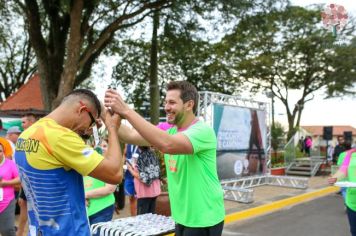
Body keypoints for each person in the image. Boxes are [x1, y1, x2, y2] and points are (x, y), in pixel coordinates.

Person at [105, 81, 225, 236]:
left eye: (172, 102)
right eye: (166, 102)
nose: (166, 107)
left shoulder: (202, 131)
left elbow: (168, 145)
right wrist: (100, 109)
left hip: (204, 218)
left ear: (189, 105)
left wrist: (127, 111)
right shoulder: (170, 131)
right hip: (182, 217)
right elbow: (129, 135)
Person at [14, 89, 123, 235]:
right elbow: (115, 174)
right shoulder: (59, 137)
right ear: (82, 109)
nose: (88, 129)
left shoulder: (27, 134)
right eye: (91, 122)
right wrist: (112, 128)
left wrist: (83, 135)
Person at [17, 114, 39, 236]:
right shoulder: (23, 138)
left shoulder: (37, 136)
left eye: (24, 122)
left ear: (31, 122)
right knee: (23, 203)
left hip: (35, 178)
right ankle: (21, 232)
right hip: (25, 178)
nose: (21, 125)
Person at [84, 143, 116, 225]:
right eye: (99, 146)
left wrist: (85, 195)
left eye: (105, 146)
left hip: (102, 210)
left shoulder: (110, 165)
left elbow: (110, 188)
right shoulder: (87, 162)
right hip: (86, 212)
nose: (101, 148)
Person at [328, 148, 356, 236]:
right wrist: (335, 177)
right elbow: (343, 170)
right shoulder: (350, 154)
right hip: (352, 202)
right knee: (354, 231)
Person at [126, 146, 161, 215]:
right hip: (154, 192)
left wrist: (130, 169)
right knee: (151, 217)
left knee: (143, 218)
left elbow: (144, 178)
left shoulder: (142, 157)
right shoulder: (153, 155)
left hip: (145, 193)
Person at [0, 142, 21, 236]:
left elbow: (20, 178)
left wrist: (6, 183)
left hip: (6, 202)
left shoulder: (10, 164)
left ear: (3, 152)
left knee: (7, 230)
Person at [124, 144, 138, 216]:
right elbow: (124, 155)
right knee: (131, 198)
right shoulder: (128, 143)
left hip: (138, 174)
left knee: (139, 199)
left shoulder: (141, 141)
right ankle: (133, 218)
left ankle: (140, 219)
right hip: (128, 174)